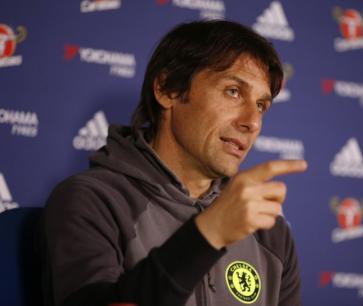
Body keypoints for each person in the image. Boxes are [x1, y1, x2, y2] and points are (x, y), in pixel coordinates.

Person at [43, 20, 307, 306]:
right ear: (167, 89)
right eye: (233, 91)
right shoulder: (92, 200)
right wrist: (207, 235)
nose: (252, 122)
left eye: (260, 105)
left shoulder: (270, 232)